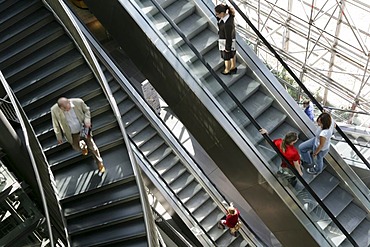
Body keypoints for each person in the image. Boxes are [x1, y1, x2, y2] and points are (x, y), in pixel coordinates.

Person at [51, 97, 105, 173]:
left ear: (69, 102)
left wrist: (87, 120)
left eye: (68, 107)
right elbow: (55, 124)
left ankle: (99, 163)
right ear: (60, 108)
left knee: (92, 147)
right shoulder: (54, 110)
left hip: (83, 128)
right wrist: (59, 136)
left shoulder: (78, 102)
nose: (68, 110)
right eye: (65, 109)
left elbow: (87, 110)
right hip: (72, 133)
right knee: (76, 147)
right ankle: (83, 147)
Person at [215, 4, 237, 75]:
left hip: (226, 41)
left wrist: (227, 47)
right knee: (232, 53)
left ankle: (227, 70)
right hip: (231, 39)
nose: (216, 15)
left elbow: (228, 37)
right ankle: (233, 67)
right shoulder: (229, 17)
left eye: (217, 14)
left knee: (226, 56)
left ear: (222, 13)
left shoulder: (227, 24)